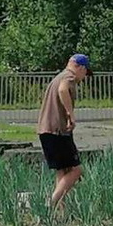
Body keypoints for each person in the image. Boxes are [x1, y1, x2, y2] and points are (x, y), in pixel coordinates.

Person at [37, 54, 92, 210]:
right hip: (57, 131)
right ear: (80, 68)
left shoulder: (58, 76)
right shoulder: (69, 77)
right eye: (86, 73)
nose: (84, 77)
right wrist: (71, 114)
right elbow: (63, 90)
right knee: (76, 170)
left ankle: (59, 211)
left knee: (63, 171)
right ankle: (50, 203)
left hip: (46, 130)